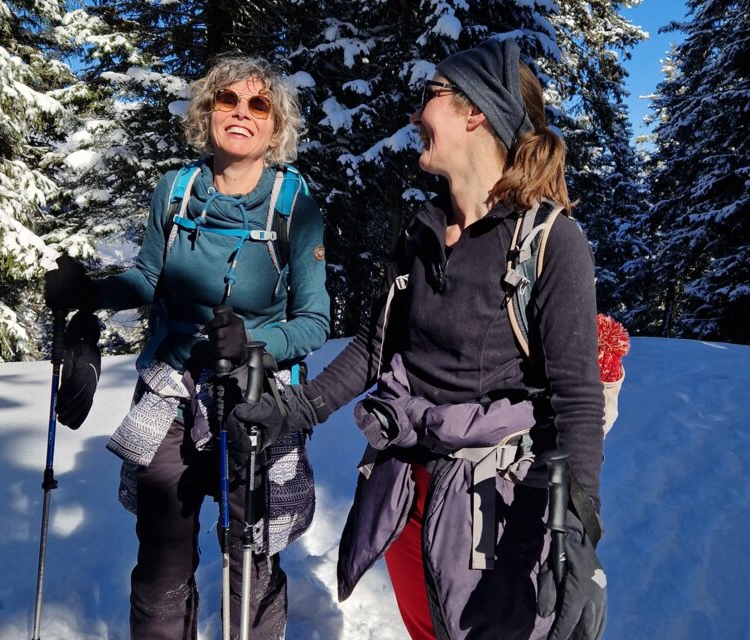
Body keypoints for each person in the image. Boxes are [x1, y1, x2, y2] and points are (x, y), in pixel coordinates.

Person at [230, 38, 607, 639]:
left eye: (430, 97)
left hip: (495, 507)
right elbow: (376, 349)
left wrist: (577, 524)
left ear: (475, 112)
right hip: (405, 490)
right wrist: (296, 411)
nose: (415, 116)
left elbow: (577, 401)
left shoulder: (551, 243)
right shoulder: (421, 231)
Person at [44, 54, 330, 639]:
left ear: (276, 126)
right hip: (170, 393)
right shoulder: (175, 192)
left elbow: (316, 320)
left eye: (259, 105)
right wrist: (90, 293)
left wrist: (254, 341)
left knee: (250, 552)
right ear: (208, 110)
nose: (242, 114)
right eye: (228, 100)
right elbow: (150, 279)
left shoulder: (293, 205)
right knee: (161, 558)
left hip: (253, 399)